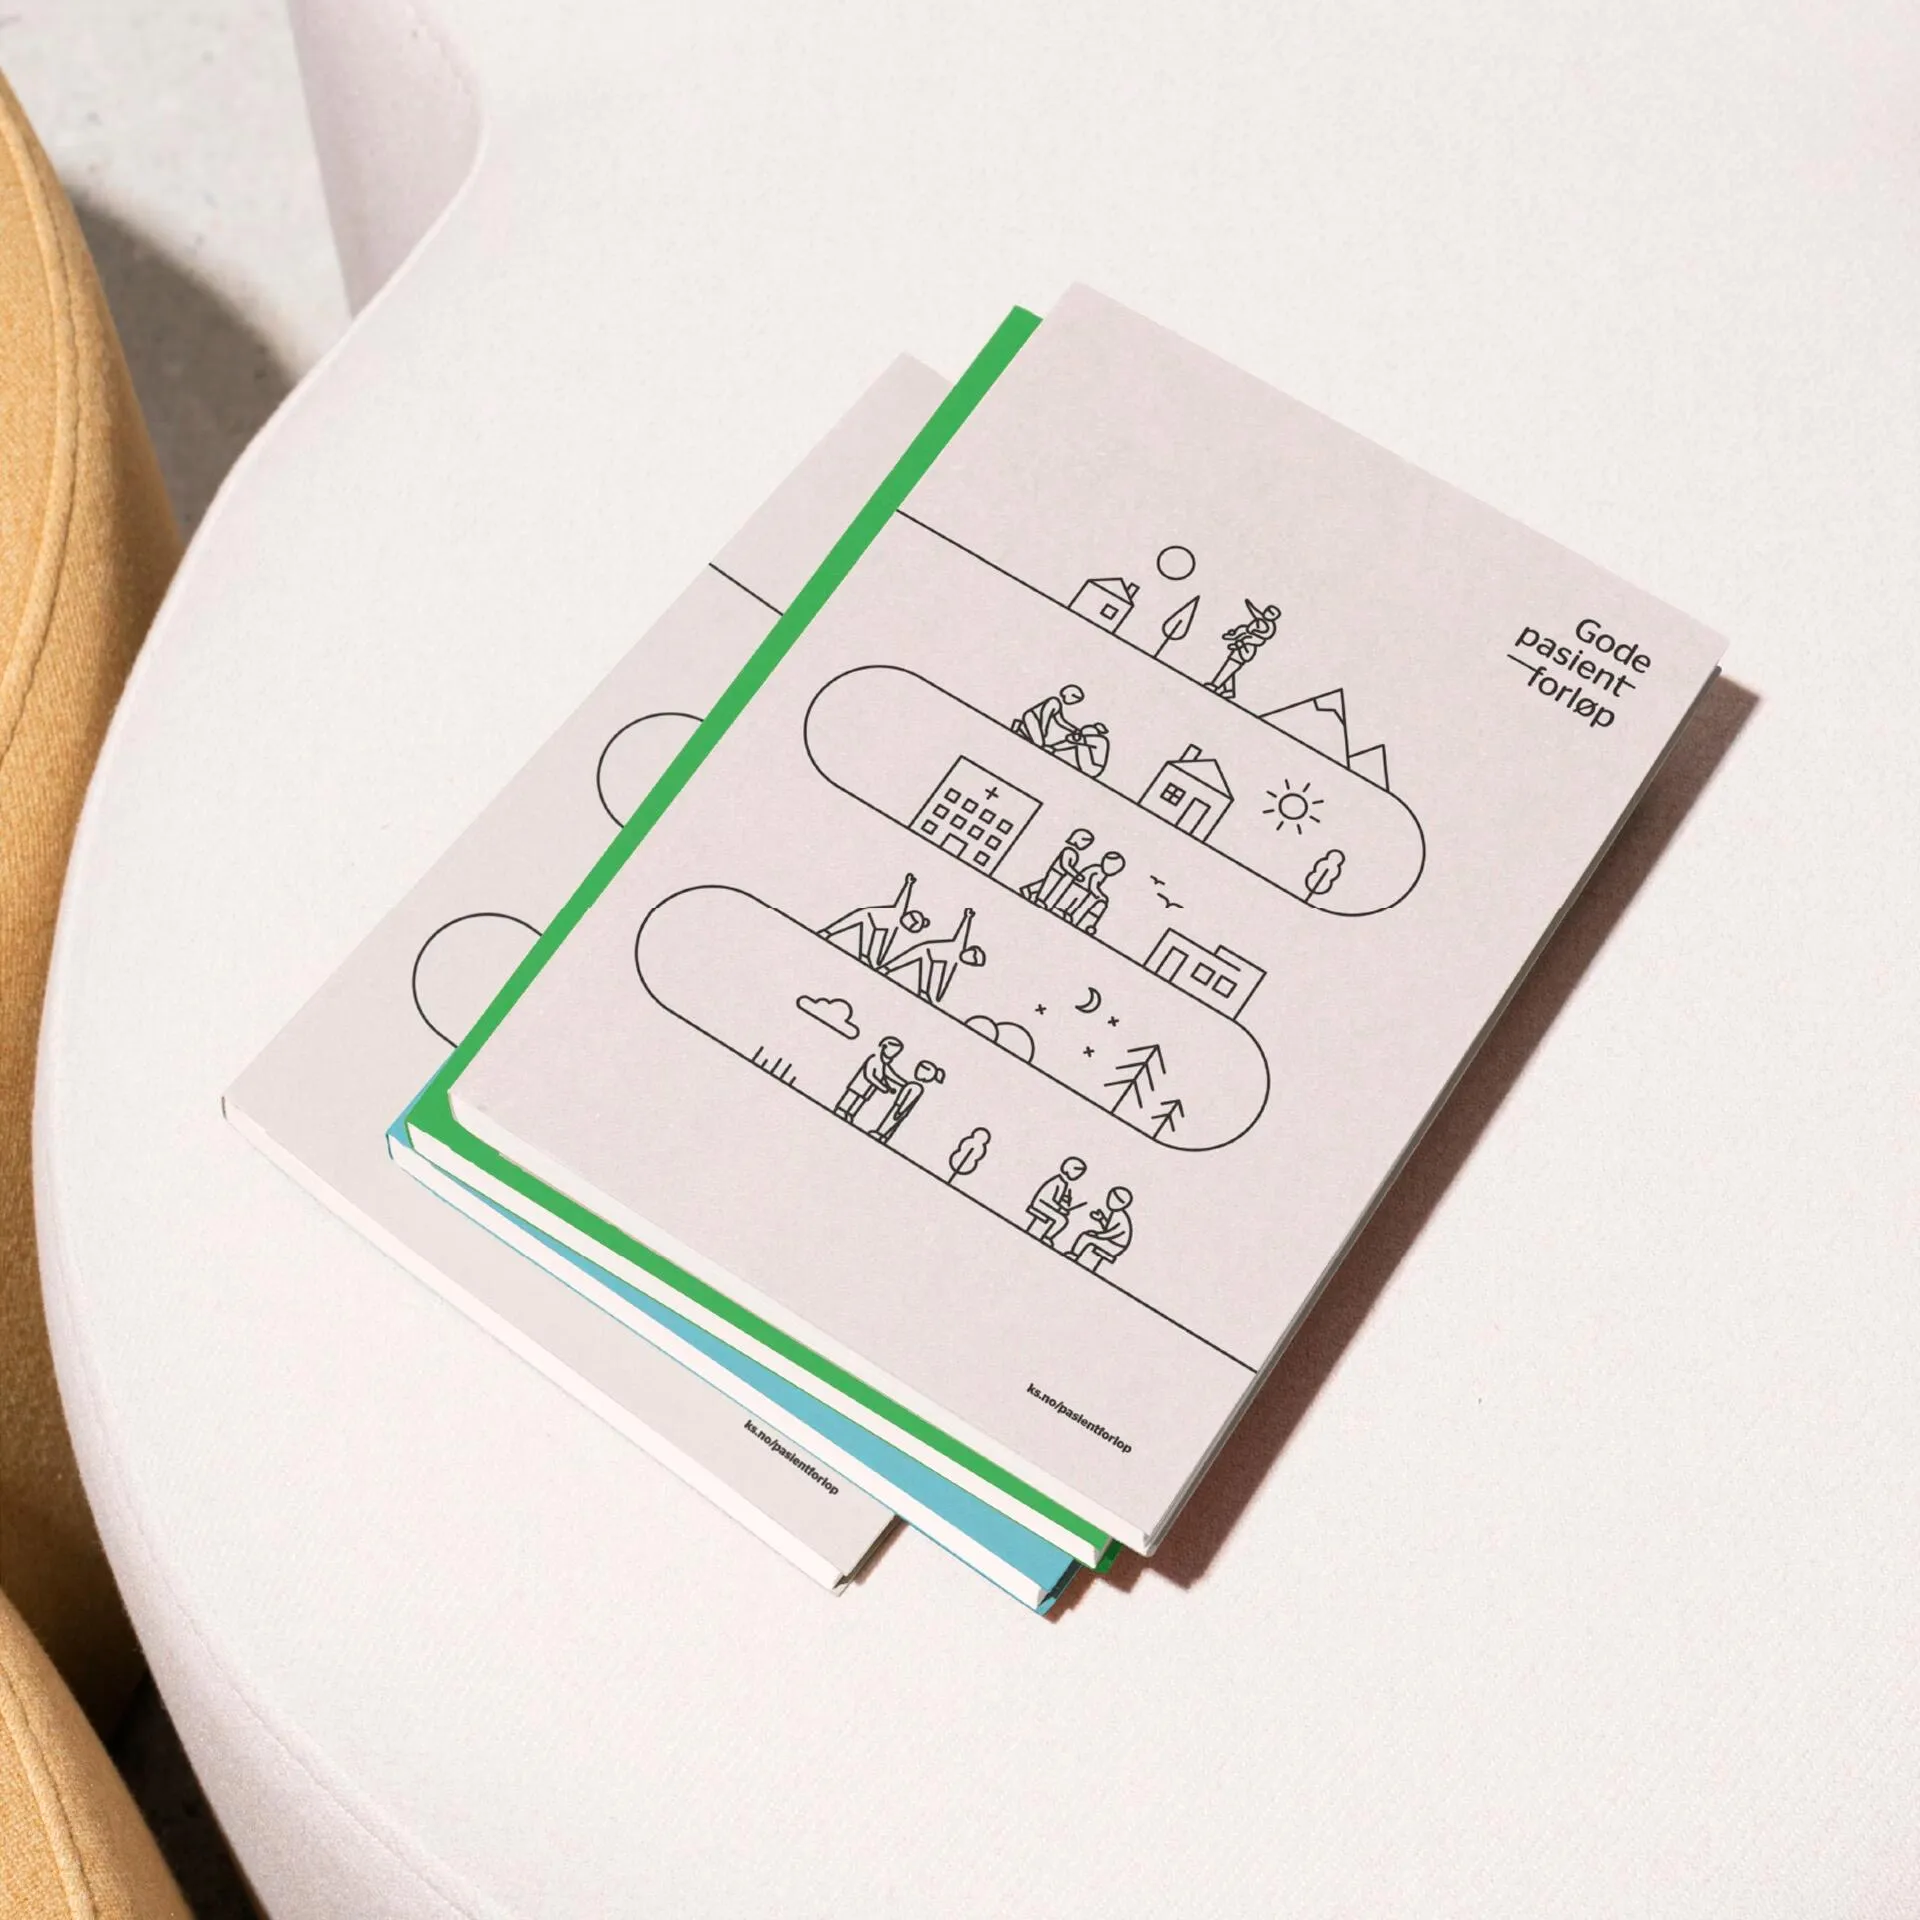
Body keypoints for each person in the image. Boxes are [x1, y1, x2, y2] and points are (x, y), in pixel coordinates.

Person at [1206, 600, 1282, 701]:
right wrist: (1233, 635)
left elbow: (1253, 639)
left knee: (1230, 666)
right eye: (1267, 610)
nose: (1267, 613)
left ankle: (1215, 685)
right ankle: (1229, 690)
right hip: (1241, 648)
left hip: (1245, 650)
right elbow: (1243, 629)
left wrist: (1239, 643)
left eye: (1271, 613)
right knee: (1231, 667)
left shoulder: (1263, 631)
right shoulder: (1256, 624)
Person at [835, 1036, 905, 1124]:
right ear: (884, 1048)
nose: (894, 1056)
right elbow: (869, 1076)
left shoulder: (883, 1064)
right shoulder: (874, 1059)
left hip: (868, 1090)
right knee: (851, 1098)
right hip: (859, 1086)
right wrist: (882, 1087)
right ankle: (841, 1110)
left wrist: (903, 1084)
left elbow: (890, 1074)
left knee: (860, 1101)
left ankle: (850, 1114)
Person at [872, 1060, 944, 1144]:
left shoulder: (915, 1086)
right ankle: (884, 1136)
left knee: (890, 1121)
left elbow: (907, 1099)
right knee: (893, 1123)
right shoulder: (916, 1086)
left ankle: (881, 1134)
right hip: (900, 1108)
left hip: (899, 1107)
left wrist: (899, 1109)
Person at [1020, 828, 1094, 911]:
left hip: (1061, 874)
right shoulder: (1069, 851)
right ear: (1079, 840)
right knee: (1048, 886)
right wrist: (1076, 875)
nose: (1085, 846)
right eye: (1086, 843)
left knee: (1046, 883)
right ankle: (1040, 899)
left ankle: (1028, 890)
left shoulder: (1073, 852)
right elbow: (1065, 865)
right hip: (1057, 872)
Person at [1069, 1186, 1134, 1272]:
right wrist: (1101, 1219)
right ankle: (1079, 1257)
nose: (1112, 1202)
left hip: (1115, 1246)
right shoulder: (1115, 1213)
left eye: (1117, 1200)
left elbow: (1114, 1232)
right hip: (1110, 1241)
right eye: (1111, 1198)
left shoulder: (1121, 1217)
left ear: (1123, 1205)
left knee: (1086, 1237)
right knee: (1089, 1235)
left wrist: (1098, 1235)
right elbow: (1108, 1230)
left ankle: (1074, 1254)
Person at [1024, 1156, 1086, 1245]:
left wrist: (1062, 1207)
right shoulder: (1058, 1182)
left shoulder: (1063, 1183)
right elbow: (1049, 1199)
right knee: (1061, 1220)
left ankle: (1045, 1235)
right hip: (1041, 1204)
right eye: (1077, 1171)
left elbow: (1056, 1201)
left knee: (1061, 1218)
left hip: (1045, 1205)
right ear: (1068, 1169)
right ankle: (1047, 1236)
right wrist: (1060, 1209)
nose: (1078, 1175)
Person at [1066, 850, 1126, 934]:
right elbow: (1093, 886)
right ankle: (1069, 914)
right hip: (1080, 888)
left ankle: (1071, 915)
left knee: (1079, 903)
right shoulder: (1098, 872)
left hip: (1082, 889)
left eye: (1115, 870)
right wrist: (1101, 896)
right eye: (1112, 867)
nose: (1112, 872)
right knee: (1078, 903)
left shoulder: (1101, 872)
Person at [1012, 683, 1084, 752]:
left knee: (1038, 741)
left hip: (1034, 719)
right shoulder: (1054, 701)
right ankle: (1020, 727)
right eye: (1076, 699)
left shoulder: (1058, 705)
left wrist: (1074, 730)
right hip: (1032, 717)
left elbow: (1061, 721)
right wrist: (1043, 729)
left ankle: (1020, 726)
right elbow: (1045, 714)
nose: (1074, 702)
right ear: (1071, 695)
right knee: (1039, 745)